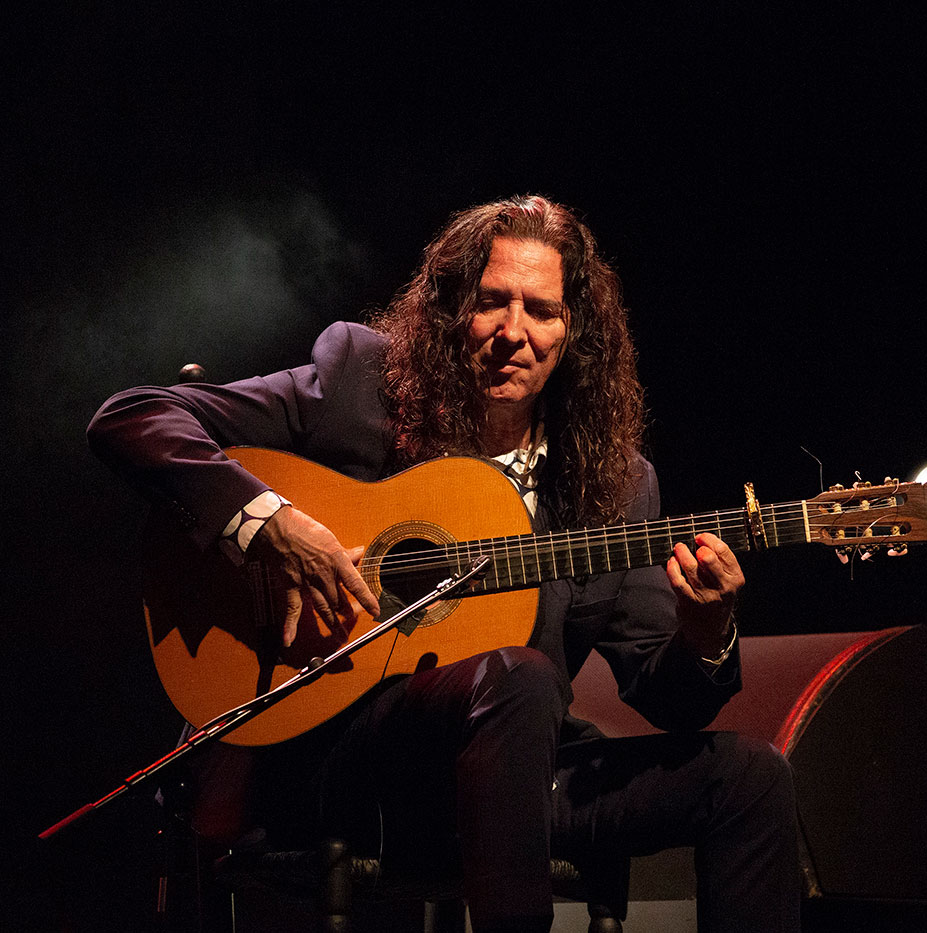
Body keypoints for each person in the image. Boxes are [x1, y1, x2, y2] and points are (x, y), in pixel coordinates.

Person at [88, 195, 800, 932]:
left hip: (515, 778)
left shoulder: (618, 484)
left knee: (750, 776)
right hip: (349, 767)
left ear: (574, 331)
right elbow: (132, 417)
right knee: (518, 674)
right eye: (492, 301)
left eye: (542, 310)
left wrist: (707, 627)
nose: (512, 333)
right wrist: (272, 524)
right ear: (453, 307)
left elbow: (668, 698)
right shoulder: (361, 385)